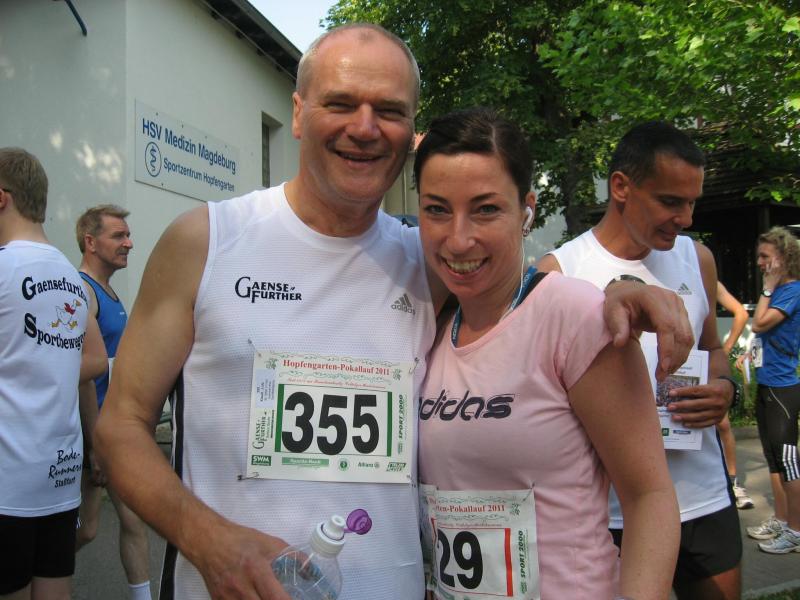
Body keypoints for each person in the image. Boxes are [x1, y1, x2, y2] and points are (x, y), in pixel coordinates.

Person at [94, 24, 694, 600]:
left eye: (388, 110)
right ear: (298, 114)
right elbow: (121, 426)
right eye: (340, 103)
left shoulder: (427, 260)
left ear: (410, 134)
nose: (364, 128)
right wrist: (208, 542)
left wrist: (617, 287)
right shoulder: (206, 242)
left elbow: (521, 297)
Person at [415, 108, 679, 599]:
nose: (459, 238)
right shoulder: (429, 326)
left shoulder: (575, 315)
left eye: (485, 209)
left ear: (526, 211)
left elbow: (650, 497)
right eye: (436, 210)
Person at [538, 121, 743, 600]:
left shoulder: (698, 259)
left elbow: (713, 349)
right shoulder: (560, 272)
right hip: (611, 510)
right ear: (621, 187)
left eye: (691, 203)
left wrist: (725, 389)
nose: (685, 218)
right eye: (670, 201)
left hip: (702, 496)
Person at [0, 147, 106, 600]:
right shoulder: (69, 275)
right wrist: (46, 364)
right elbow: (96, 358)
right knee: (54, 587)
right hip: (58, 474)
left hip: (8, 477)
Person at [74, 205, 152, 600]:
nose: (129, 243)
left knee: (123, 522)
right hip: (91, 432)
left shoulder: (107, 290)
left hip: (111, 429)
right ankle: (33, 577)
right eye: (119, 236)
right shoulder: (82, 291)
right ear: (91, 242)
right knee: (91, 528)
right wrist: (95, 444)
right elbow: (83, 377)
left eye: (128, 235)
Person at [741, 227, 800, 553]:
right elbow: (765, 334)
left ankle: (797, 532)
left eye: (765, 256)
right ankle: (782, 519)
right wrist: (750, 354)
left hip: (783, 388)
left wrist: (766, 288)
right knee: (774, 460)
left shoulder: (792, 290)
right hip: (767, 383)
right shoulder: (780, 292)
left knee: (789, 463)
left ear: (783, 257)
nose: (760, 262)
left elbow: (759, 323)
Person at [716, 281, 754, 509]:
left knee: (722, 424)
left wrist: (725, 349)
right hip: (667, 360)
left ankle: (733, 482)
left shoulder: (702, 273)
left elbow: (741, 312)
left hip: (705, 361)